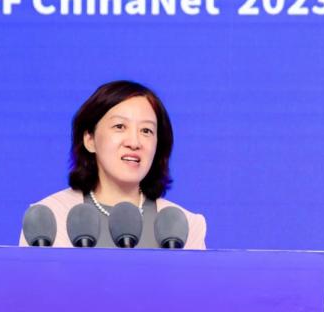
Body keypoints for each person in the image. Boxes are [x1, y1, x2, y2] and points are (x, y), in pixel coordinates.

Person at [19, 80, 206, 249]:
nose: (134, 142)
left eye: (146, 130)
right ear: (90, 139)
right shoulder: (50, 218)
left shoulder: (184, 227)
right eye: (119, 126)